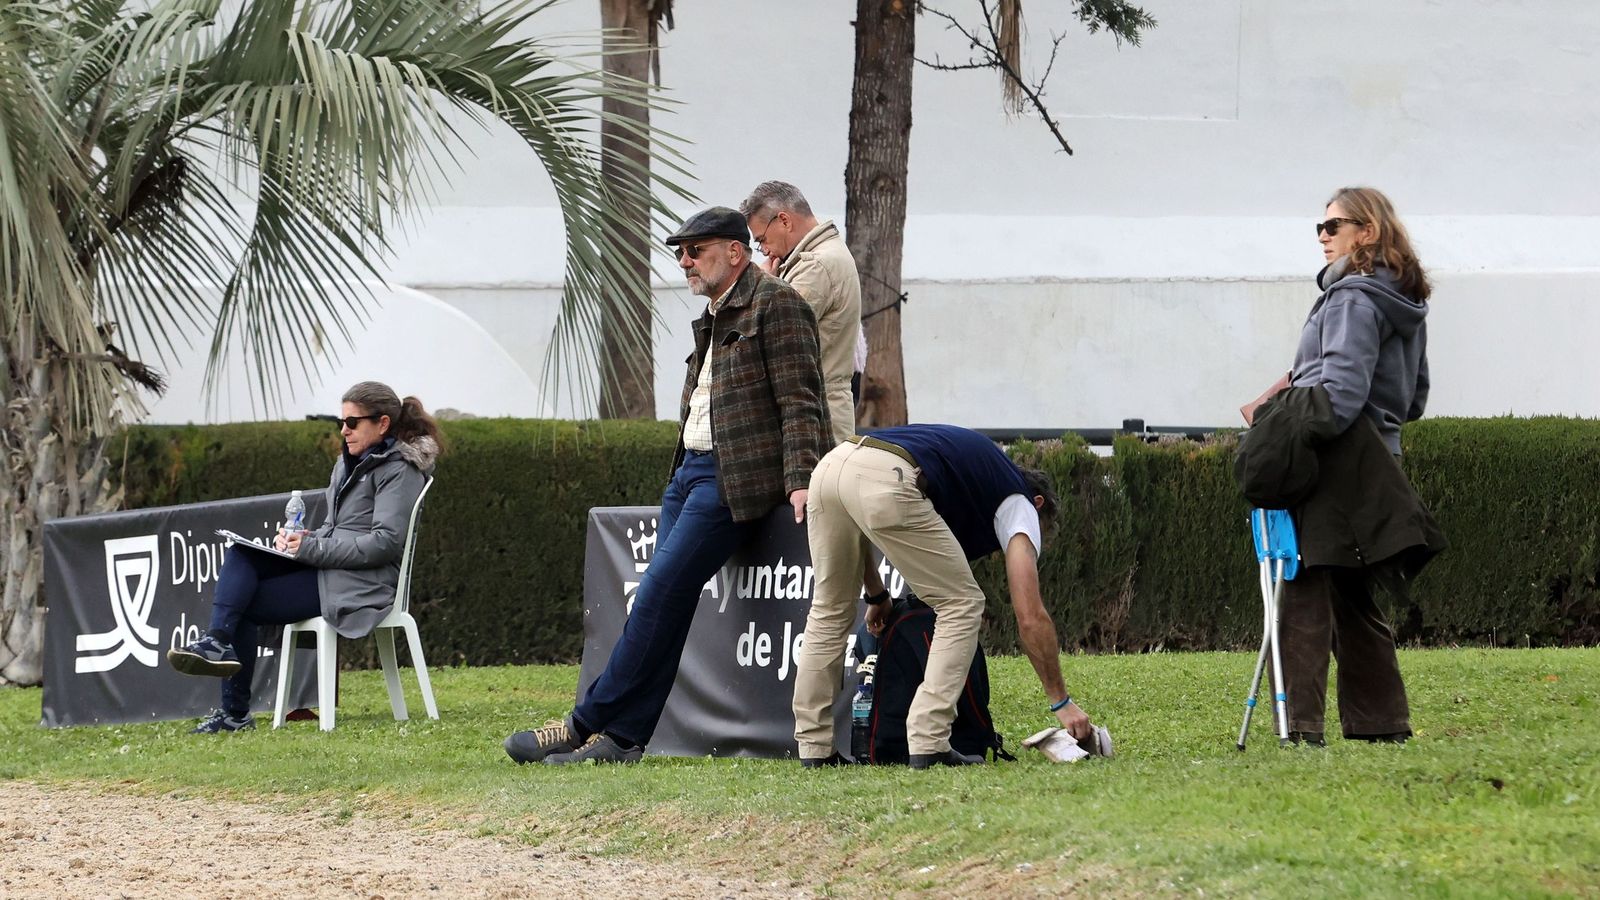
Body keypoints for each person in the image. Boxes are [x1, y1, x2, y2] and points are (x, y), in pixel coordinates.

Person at [504, 206, 830, 766]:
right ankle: (625, 739)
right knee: (664, 606)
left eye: (695, 250)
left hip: (731, 479)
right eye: (680, 253)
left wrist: (801, 479)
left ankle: (582, 725)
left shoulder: (778, 304)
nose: (684, 262)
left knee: (656, 594)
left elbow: (802, 399)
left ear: (735, 251)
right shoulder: (717, 310)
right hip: (689, 473)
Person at [1244, 186, 1443, 746]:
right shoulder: (1401, 298)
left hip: (1335, 457)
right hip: (1378, 457)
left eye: (1333, 226)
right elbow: (1415, 399)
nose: (1323, 237)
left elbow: (1341, 394)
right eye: (1321, 227)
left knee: (1303, 582)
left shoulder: (1352, 298)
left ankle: (1299, 727)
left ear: (1368, 231)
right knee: (1351, 592)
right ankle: (1381, 724)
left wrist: (1286, 419)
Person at [791, 425, 1094, 768]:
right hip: (885, 473)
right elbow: (1030, 615)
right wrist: (1061, 701)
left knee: (829, 610)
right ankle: (929, 740)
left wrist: (876, 595)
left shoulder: (972, 478)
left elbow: (859, 519)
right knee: (962, 603)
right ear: (1037, 504)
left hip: (831, 468)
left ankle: (814, 747)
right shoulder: (1020, 501)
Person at [167, 381, 442, 733]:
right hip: (331, 571)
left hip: (363, 585)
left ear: (382, 424)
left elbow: (384, 543)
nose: (344, 431)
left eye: (352, 422)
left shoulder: (400, 470)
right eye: (341, 422)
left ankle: (234, 713)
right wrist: (304, 539)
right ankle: (217, 642)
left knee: (244, 604)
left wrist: (312, 548)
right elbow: (334, 528)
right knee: (241, 553)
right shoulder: (346, 464)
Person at [740, 181, 861, 445]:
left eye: (762, 240)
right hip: (819, 409)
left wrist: (762, 284)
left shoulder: (816, 266)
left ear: (784, 220)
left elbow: (769, 334)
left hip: (816, 418)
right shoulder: (817, 257)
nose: (764, 250)